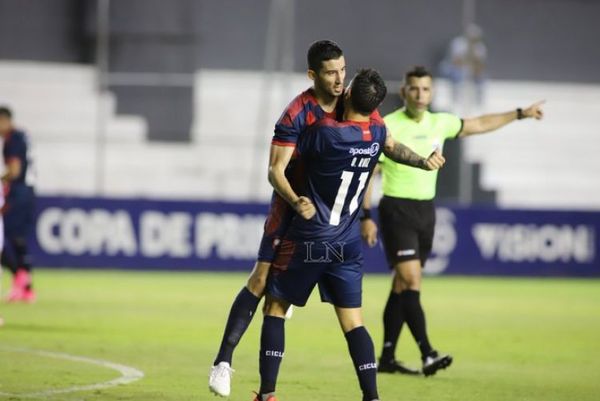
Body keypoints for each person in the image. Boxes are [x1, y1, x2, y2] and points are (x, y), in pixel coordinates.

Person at [254, 69, 445, 401]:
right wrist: (422, 162)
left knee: (275, 308)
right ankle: (371, 397)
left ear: (347, 94)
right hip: (347, 243)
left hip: (312, 240)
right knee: (354, 323)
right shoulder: (374, 132)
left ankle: (267, 394)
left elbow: (290, 151)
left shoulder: (326, 133)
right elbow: (393, 147)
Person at [360, 66, 545, 376]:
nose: (420, 95)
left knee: (401, 285)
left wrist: (520, 113)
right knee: (412, 281)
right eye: (414, 89)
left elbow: (480, 123)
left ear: (432, 93)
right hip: (396, 210)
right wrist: (366, 216)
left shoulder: (441, 122)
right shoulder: (387, 126)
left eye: (425, 90)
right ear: (404, 92)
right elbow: (369, 176)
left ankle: (387, 358)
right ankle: (427, 353)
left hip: (425, 213)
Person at [209, 40, 347, 397]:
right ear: (312, 75)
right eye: (331, 72)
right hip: (291, 208)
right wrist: (296, 200)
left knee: (281, 300)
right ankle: (222, 363)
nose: (339, 78)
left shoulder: (351, 105)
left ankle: (266, 391)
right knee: (260, 279)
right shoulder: (296, 113)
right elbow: (275, 171)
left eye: (343, 70)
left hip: (326, 217)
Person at [0, 106, 36, 303]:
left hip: (17, 193)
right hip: (28, 191)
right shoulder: (23, 136)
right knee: (18, 240)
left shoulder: (12, 140)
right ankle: (25, 287)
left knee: (6, 238)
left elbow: (13, 170)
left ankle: (20, 279)